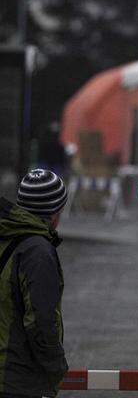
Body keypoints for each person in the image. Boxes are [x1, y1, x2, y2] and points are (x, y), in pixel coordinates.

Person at [0, 169, 69, 398]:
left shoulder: (6, 235)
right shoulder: (38, 252)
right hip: (16, 378)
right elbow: (40, 319)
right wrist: (56, 367)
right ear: (54, 212)